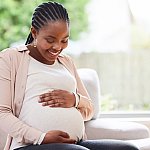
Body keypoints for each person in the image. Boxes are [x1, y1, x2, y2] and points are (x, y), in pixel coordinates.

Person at [0, 1, 139, 150]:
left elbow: (89, 109)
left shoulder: (66, 62)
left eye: (64, 40)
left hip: (75, 144)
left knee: (128, 149)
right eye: (50, 40)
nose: (58, 47)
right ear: (34, 32)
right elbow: (2, 113)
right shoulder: (11, 58)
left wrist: (75, 99)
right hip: (29, 145)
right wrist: (41, 137)